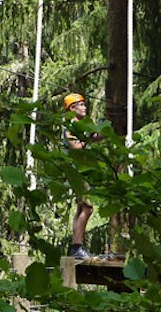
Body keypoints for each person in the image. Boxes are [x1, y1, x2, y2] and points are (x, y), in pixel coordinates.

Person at [63, 92, 101, 259]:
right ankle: (76, 247)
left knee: (82, 207)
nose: (85, 107)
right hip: (75, 170)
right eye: (81, 104)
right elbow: (77, 147)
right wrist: (87, 135)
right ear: (72, 108)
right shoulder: (70, 126)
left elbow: (93, 138)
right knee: (87, 207)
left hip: (82, 170)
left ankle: (75, 247)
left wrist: (102, 129)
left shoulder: (82, 124)